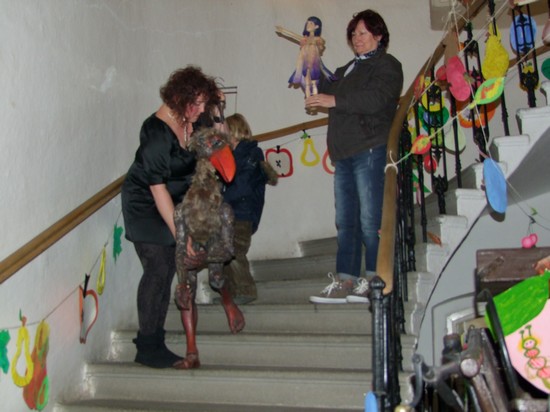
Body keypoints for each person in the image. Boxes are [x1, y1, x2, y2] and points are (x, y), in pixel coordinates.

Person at [121, 65, 224, 368]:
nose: (202, 110)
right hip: (146, 202)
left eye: (205, 103)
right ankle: (148, 346)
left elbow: (222, 144)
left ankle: (153, 342)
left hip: (175, 202)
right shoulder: (155, 131)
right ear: (179, 98)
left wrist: (217, 111)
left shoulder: (194, 117)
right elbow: (158, 188)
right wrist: (181, 235)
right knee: (159, 266)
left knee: (167, 267)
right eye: (198, 104)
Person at [305, 10, 403, 304]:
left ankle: (374, 280)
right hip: (343, 153)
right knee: (345, 221)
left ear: (378, 35)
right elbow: (321, 85)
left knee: (371, 218)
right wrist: (311, 58)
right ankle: (345, 280)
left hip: (370, 147)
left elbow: (377, 99)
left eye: (363, 33)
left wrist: (335, 100)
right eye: (353, 34)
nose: (356, 38)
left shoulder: (387, 65)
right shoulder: (346, 69)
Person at [221, 113, 278, 304]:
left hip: (243, 213)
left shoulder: (252, 154)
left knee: (234, 250)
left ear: (234, 131)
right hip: (229, 212)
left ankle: (246, 290)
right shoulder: (230, 156)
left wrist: (219, 199)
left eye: (224, 130)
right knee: (224, 252)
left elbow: (243, 186)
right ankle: (231, 293)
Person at [287, 16, 336, 98]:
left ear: (316, 26)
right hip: (305, 62)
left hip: (314, 62)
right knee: (306, 83)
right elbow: (292, 35)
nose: (308, 25)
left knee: (314, 82)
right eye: (307, 23)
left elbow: (320, 47)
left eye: (311, 23)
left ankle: (314, 97)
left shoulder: (318, 39)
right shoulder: (305, 39)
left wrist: (317, 45)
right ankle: (309, 98)